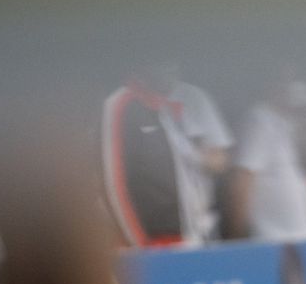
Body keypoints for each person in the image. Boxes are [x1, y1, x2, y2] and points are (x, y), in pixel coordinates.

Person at [100, 62, 235, 247]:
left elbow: (219, 159)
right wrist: (139, 244)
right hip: (153, 237)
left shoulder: (180, 102)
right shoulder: (123, 104)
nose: (170, 71)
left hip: (195, 232)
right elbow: (114, 184)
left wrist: (196, 155)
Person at [231, 68, 306, 243]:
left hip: (298, 239)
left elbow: (294, 186)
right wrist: (237, 241)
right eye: (285, 82)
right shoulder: (258, 119)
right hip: (271, 241)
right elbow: (241, 183)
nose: (291, 89)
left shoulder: (283, 124)